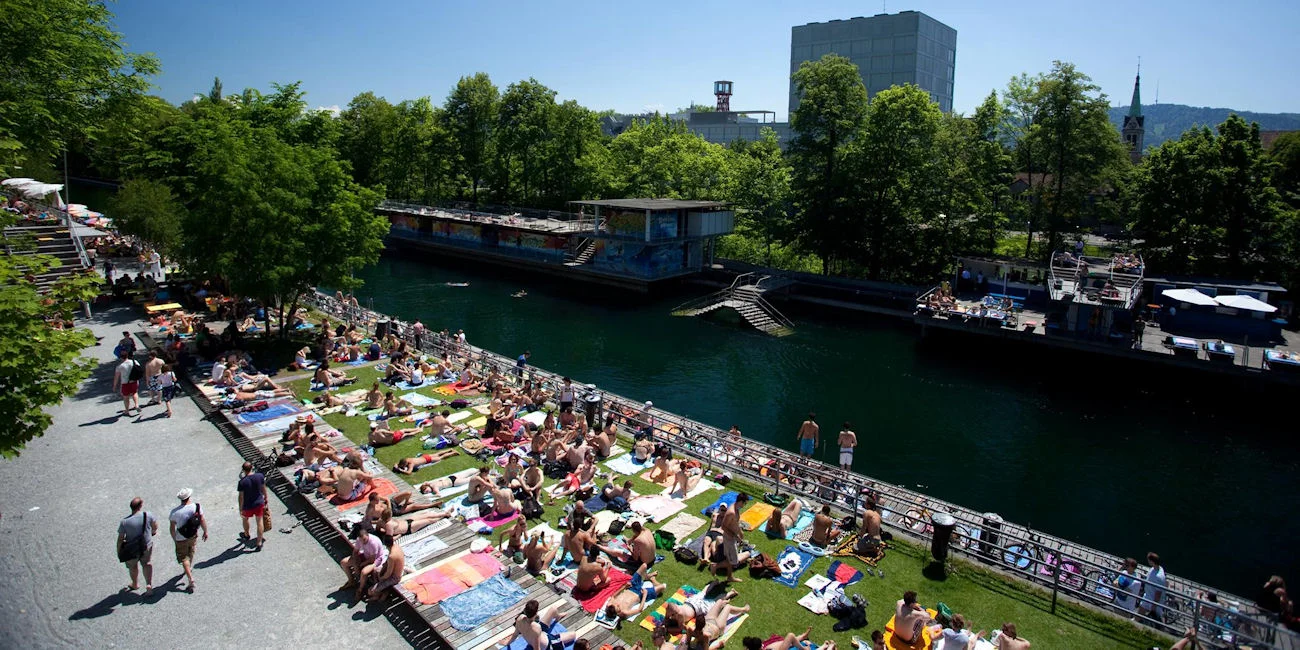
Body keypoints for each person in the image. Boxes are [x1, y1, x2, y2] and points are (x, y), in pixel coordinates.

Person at [169, 488, 208, 592]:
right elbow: (202, 520)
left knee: (183, 558)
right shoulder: (196, 507)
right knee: (191, 551)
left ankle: (190, 579)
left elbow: (172, 528)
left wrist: (174, 539)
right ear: (189, 496)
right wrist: (205, 531)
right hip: (193, 535)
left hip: (181, 537)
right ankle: (188, 568)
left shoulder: (174, 512)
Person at [118, 497, 158, 595]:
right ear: (140, 506)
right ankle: (148, 584)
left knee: (133, 567)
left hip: (132, 549)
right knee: (147, 563)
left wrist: (119, 550)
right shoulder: (147, 515)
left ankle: (135, 584)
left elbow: (120, 538)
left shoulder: (124, 522)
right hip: (146, 545)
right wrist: (152, 532)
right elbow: (155, 526)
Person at [340, 522, 385, 601]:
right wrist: (355, 561)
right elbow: (355, 552)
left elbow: (372, 560)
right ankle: (351, 581)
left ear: (367, 535)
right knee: (344, 562)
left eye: (364, 540)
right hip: (365, 555)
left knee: (364, 572)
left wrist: (360, 565)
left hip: (376, 560)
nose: (363, 542)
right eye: (361, 540)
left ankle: (360, 590)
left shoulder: (373, 543)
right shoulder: (359, 540)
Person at [237, 461, 268, 551]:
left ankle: (246, 534)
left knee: (245, 519)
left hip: (247, 505)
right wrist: (266, 497)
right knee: (259, 521)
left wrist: (240, 508)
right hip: (259, 503)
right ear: (252, 468)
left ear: (243, 470)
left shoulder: (242, 482)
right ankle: (259, 542)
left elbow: (241, 497)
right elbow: (263, 488)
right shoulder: (260, 476)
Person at [366, 531, 404, 602]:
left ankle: (381, 593)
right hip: (399, 570)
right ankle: (381, 590)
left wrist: (381, 578)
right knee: (375, 571)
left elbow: (388, 573)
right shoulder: (397, 547)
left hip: (395, 577)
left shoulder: (391, 556)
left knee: (370, 591)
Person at [719, 493, 747, 582]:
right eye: (744, 503)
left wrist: (740, 531)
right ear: (741, 501)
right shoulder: (731, 512)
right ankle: (715, 566)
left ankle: (729, 576)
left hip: (733, 536)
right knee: (733, 560)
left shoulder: (736, 508)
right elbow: (723, 526)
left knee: (730, 558)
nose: (744, 505)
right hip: (729, 538)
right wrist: (735, 536)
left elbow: (735, 522)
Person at [112, 350, 141, 416]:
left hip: (125, 383)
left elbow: (116, 377)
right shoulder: (134, 362)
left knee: (126, 397)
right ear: (127, 355)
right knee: (135, 392)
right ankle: (136, 405)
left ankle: (127, 410)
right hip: (134, 381)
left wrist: (114, 386)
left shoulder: (119, 366)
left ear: (120, 357)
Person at [1141, 552, 1168, 621]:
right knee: (1139, 614)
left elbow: (1158, 593)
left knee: (1157, 621)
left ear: (1152, 561)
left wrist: (1154, 606)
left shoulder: (1159, 576)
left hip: (1154, 602)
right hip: (1147, 597)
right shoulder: (1153, 569)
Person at [393, 449, 459, 474]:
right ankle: (450, 449)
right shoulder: (407, 459)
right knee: (437, 453)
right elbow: (397, 464)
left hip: (427, 460)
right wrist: (397, 466)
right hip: (424, 456)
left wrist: (401, 470)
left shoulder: (411, 464)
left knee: (441, 457)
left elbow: (409, 472)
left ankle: (453, 453)